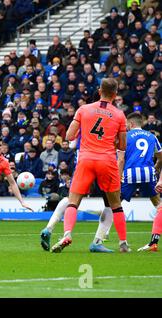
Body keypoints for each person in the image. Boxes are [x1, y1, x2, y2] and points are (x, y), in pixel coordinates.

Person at [51, 78, 129, 253]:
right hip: (107, 161)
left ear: (99, 90)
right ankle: (123, 243)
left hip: (86, 159)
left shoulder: (83, 109)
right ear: (115, 95)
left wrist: (84, 132)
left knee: (73, 202)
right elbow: (123, 146)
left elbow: (70, 136)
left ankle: (67, 234)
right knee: (115, 205)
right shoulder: (119, 115)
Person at [119, 113, 162, 252]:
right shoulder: (151, 136)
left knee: (114, 205)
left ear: (130, 124)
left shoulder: (125, 136)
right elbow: (161, 157)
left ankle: (102, 236)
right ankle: (154, 242)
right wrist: (156, 167)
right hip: (148, 173)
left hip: (129, 174)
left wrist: (118, 176)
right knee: (159, 205)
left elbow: (121, 159)